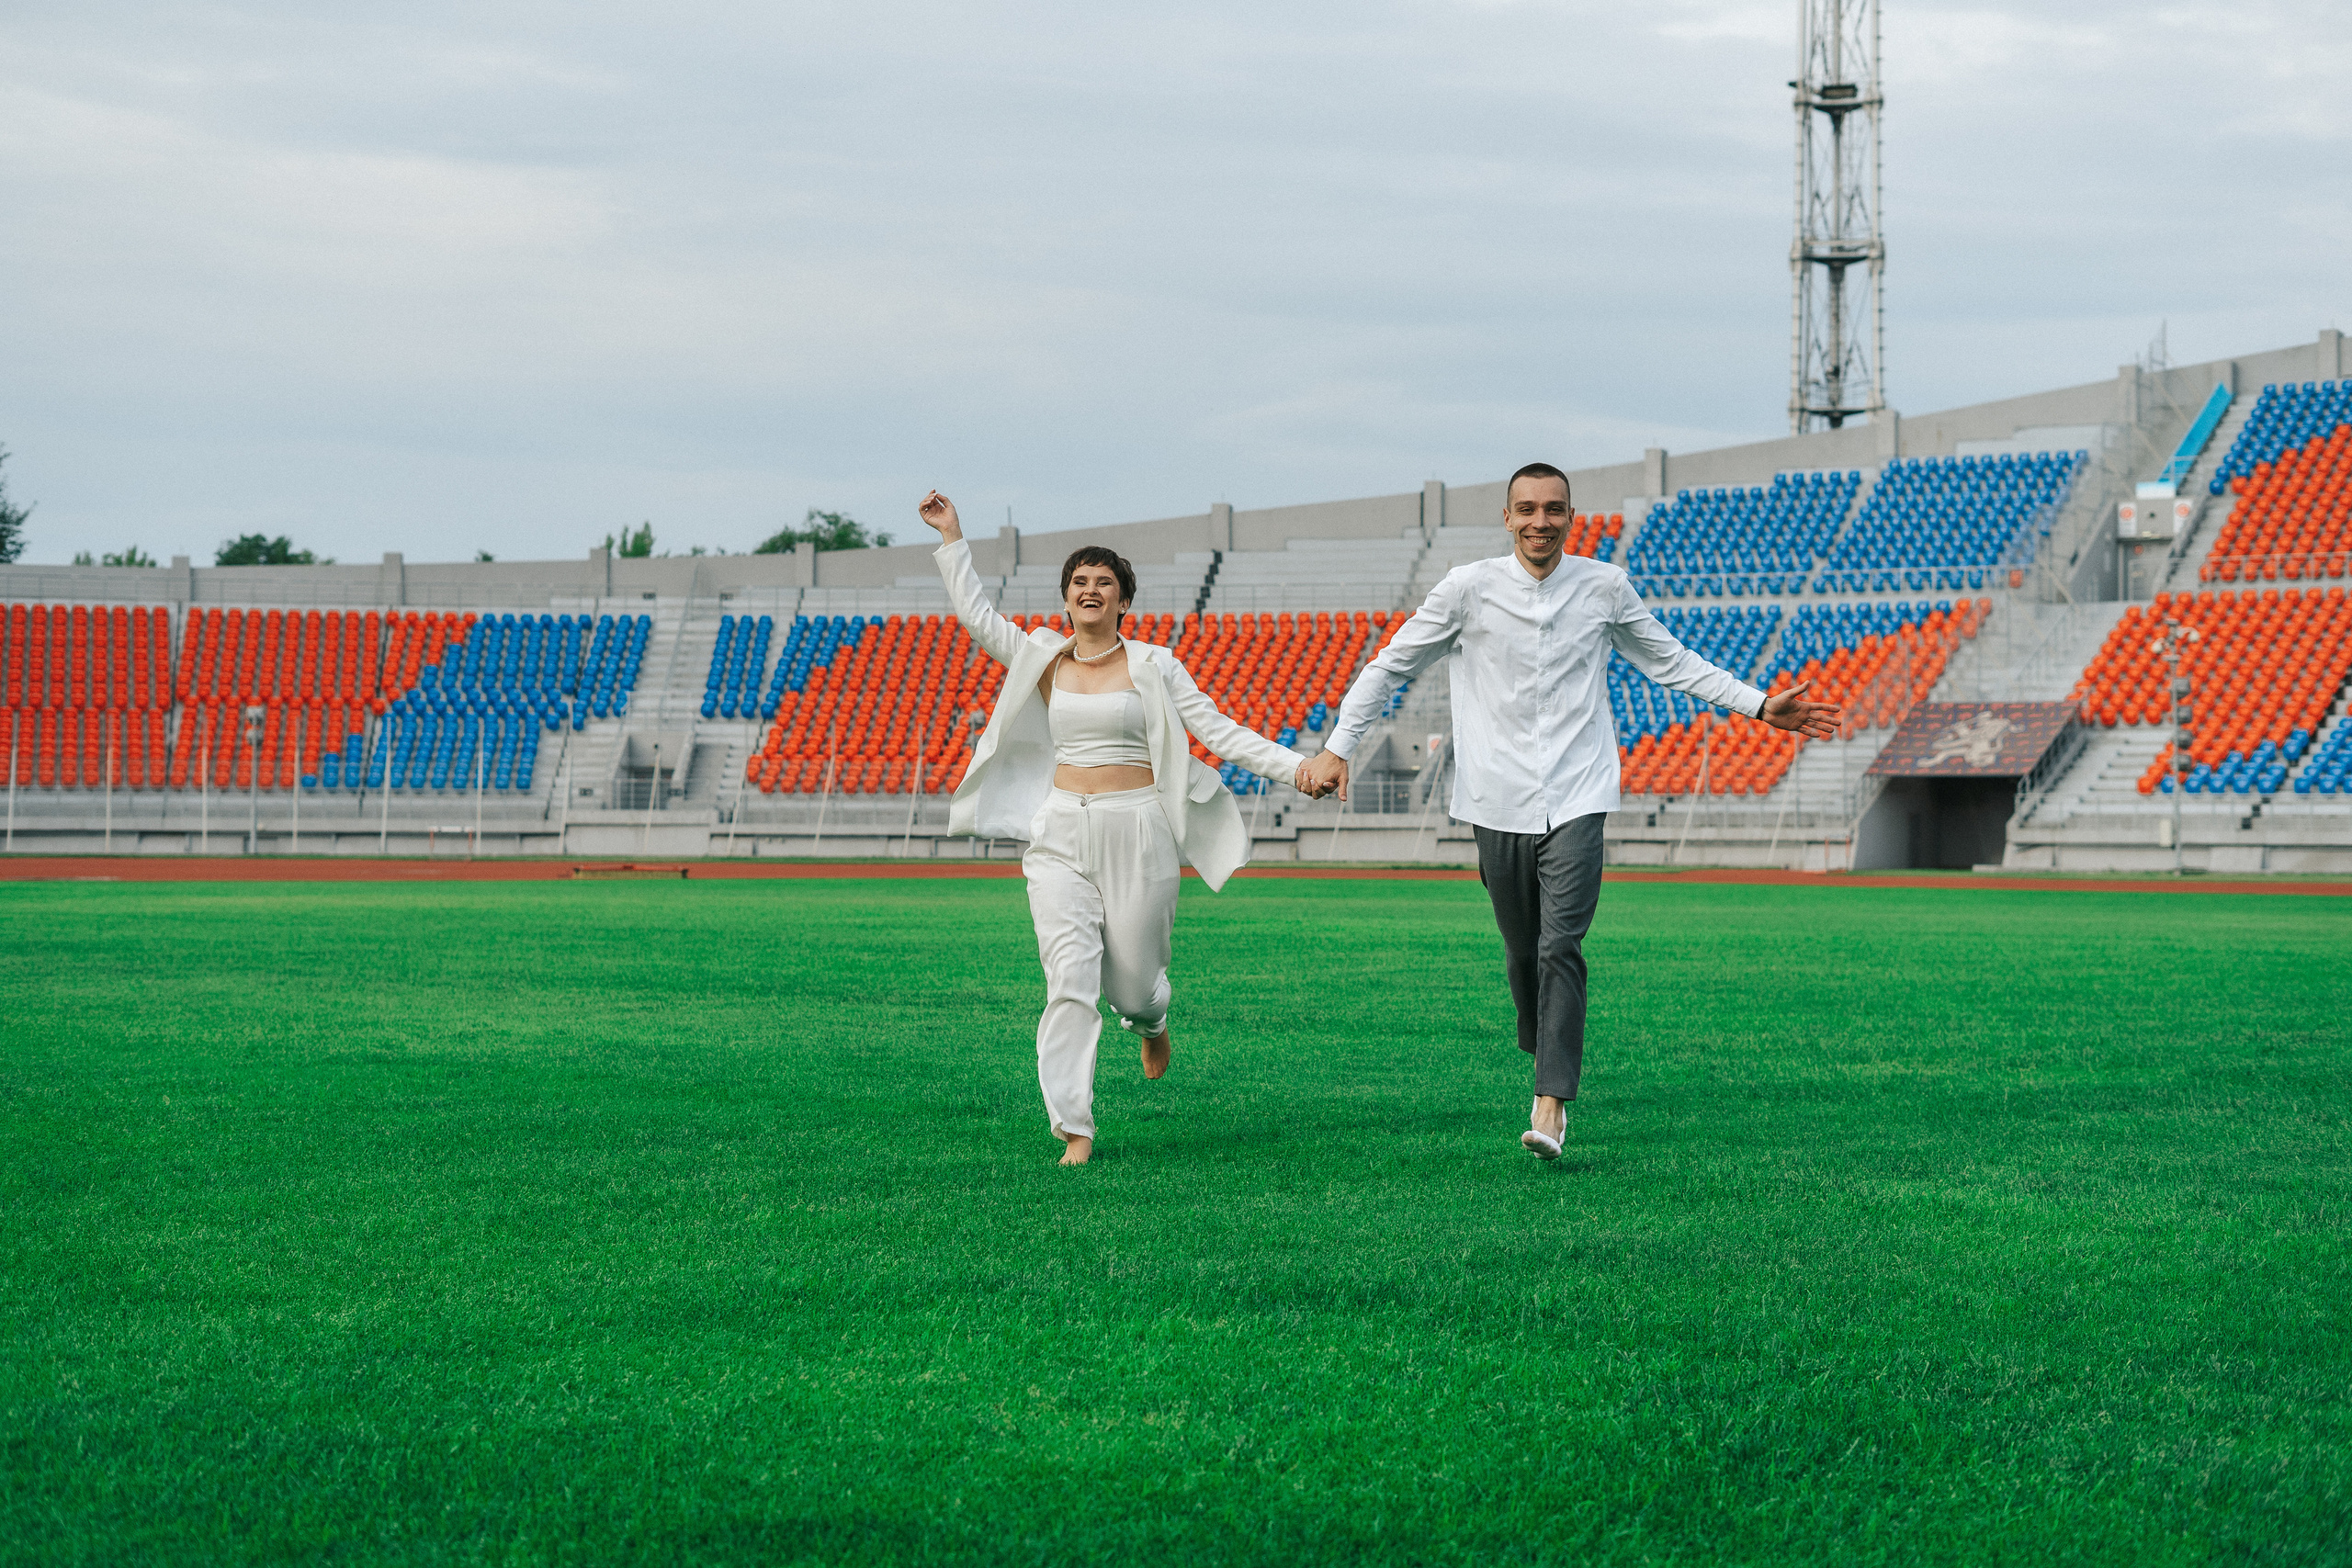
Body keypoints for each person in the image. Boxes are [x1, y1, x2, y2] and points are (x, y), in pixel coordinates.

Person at [1299, 462, 1841, 1159]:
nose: (1540, 521)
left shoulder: (1605, 586)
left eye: (1553, 509)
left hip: (1580, 792)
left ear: (1571, 517)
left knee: (1561, 947)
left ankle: (1550, 1102)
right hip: (1494, 798)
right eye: (1527, 509)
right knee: (1523, 951)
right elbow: (1390, 665)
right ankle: (1540, 1033)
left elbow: (1672, 661)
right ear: (1507, 517)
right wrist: (1339, 746)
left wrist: (1759, 705)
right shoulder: (1468, 588)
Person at [918, 491, 1330, 1166]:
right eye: (1079, 580)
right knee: (1069, 979)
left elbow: (1218, 731)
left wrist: (1299, 769)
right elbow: (977, 615)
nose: (1090, 589)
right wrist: (951, 537)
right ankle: (1074, 1128)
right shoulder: (1043, 659)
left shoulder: (1154, 664)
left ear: (1123, 600)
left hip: (1139, 830)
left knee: (1132, 987)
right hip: (1058, 834)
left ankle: (1152, 1020)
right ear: (1066, 599)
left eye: (1103, 582)